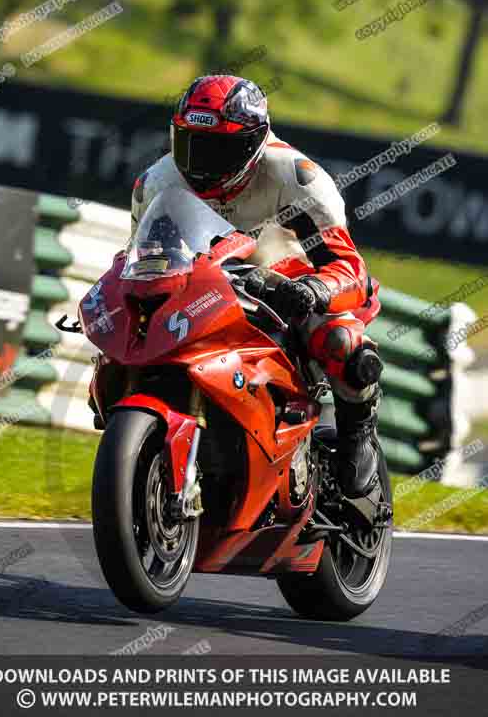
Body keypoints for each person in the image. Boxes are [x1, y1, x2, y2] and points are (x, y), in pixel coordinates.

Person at [130, 75, 383, 498]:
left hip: (292, 288)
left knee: (340, 339)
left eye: (218, 149)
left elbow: (349, 268)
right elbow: (139, 262)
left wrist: (315, 291)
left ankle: (357, 435)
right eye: (191, 144)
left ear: (254, 143)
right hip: (207, 287)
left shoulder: (297, 178)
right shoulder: (157, 182)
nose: (201, 162)